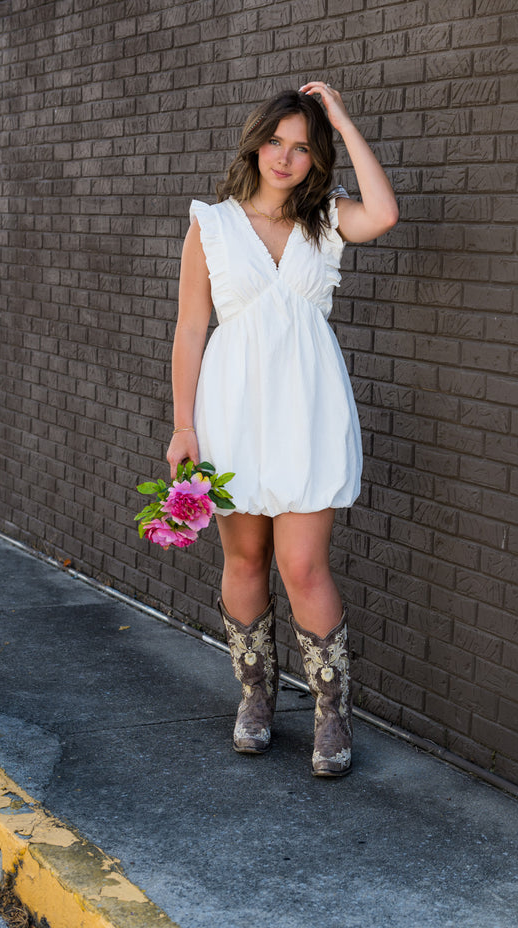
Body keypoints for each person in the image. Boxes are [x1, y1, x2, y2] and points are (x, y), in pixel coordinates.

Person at [167, 82, 398, 777]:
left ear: (315, 157)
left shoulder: (326, 219)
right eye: (276, 141)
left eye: (302, 147)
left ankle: (331, 712)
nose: (285, 157)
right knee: (243, 561)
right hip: (230, 409)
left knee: (302, 566)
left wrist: (344, 120)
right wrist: (183, 427)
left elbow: (384, 213)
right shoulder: (211, 224)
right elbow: (189, 328)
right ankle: (256, 698)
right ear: (255, 142)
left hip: (307, 410)